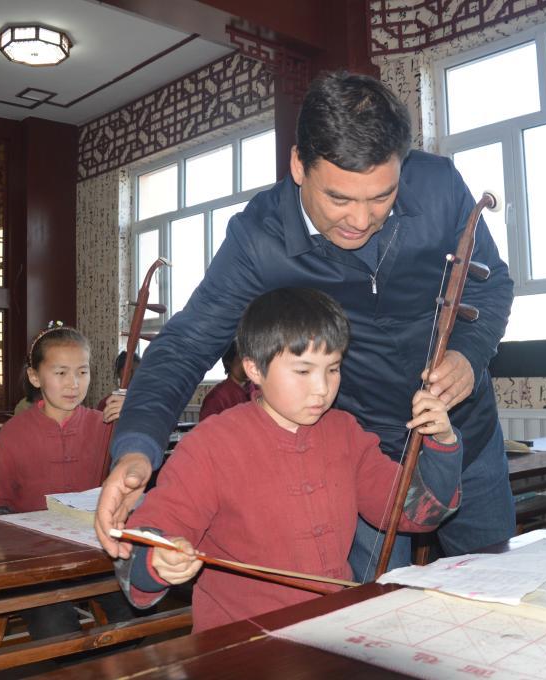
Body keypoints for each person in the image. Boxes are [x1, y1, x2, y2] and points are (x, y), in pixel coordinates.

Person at [98, 72, 514, 579]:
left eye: (381, 197)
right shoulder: (260, 237)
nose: (360, 220)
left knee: (497, 589)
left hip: (464, 434)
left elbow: (491, 285)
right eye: (339, 199)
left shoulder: (440, 186)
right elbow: (186, 345)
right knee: (369, 611)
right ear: (299, 165)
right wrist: (136, 448)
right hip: (363, 455)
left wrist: (469, 355)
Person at [116, 288, 462, 631]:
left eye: (333, 369)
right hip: (244, 643)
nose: (322, 388)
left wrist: (442, 441)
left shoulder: (344, 432)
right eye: (303, 371)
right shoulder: (210, 445)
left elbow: (416, 513)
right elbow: (145, 542)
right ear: (254, 368)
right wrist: (160, 560)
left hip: (334, 630)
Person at [0, 323, 136, 640]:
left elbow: (138, 475)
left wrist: (135, 422)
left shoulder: (105, 425)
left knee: (134, 616)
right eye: (61, 373)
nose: (73, 384)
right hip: (37, 560)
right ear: (35, 377)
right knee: (56, 627)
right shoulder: (14, 432)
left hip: (95, 555)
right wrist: (14, 526)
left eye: (82, 372)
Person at [197, 341, 250, 420]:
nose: (250, 365)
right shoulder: (217, 398)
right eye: (243, 359)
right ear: (228, 362)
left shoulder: (258, 389)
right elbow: (207, 425)